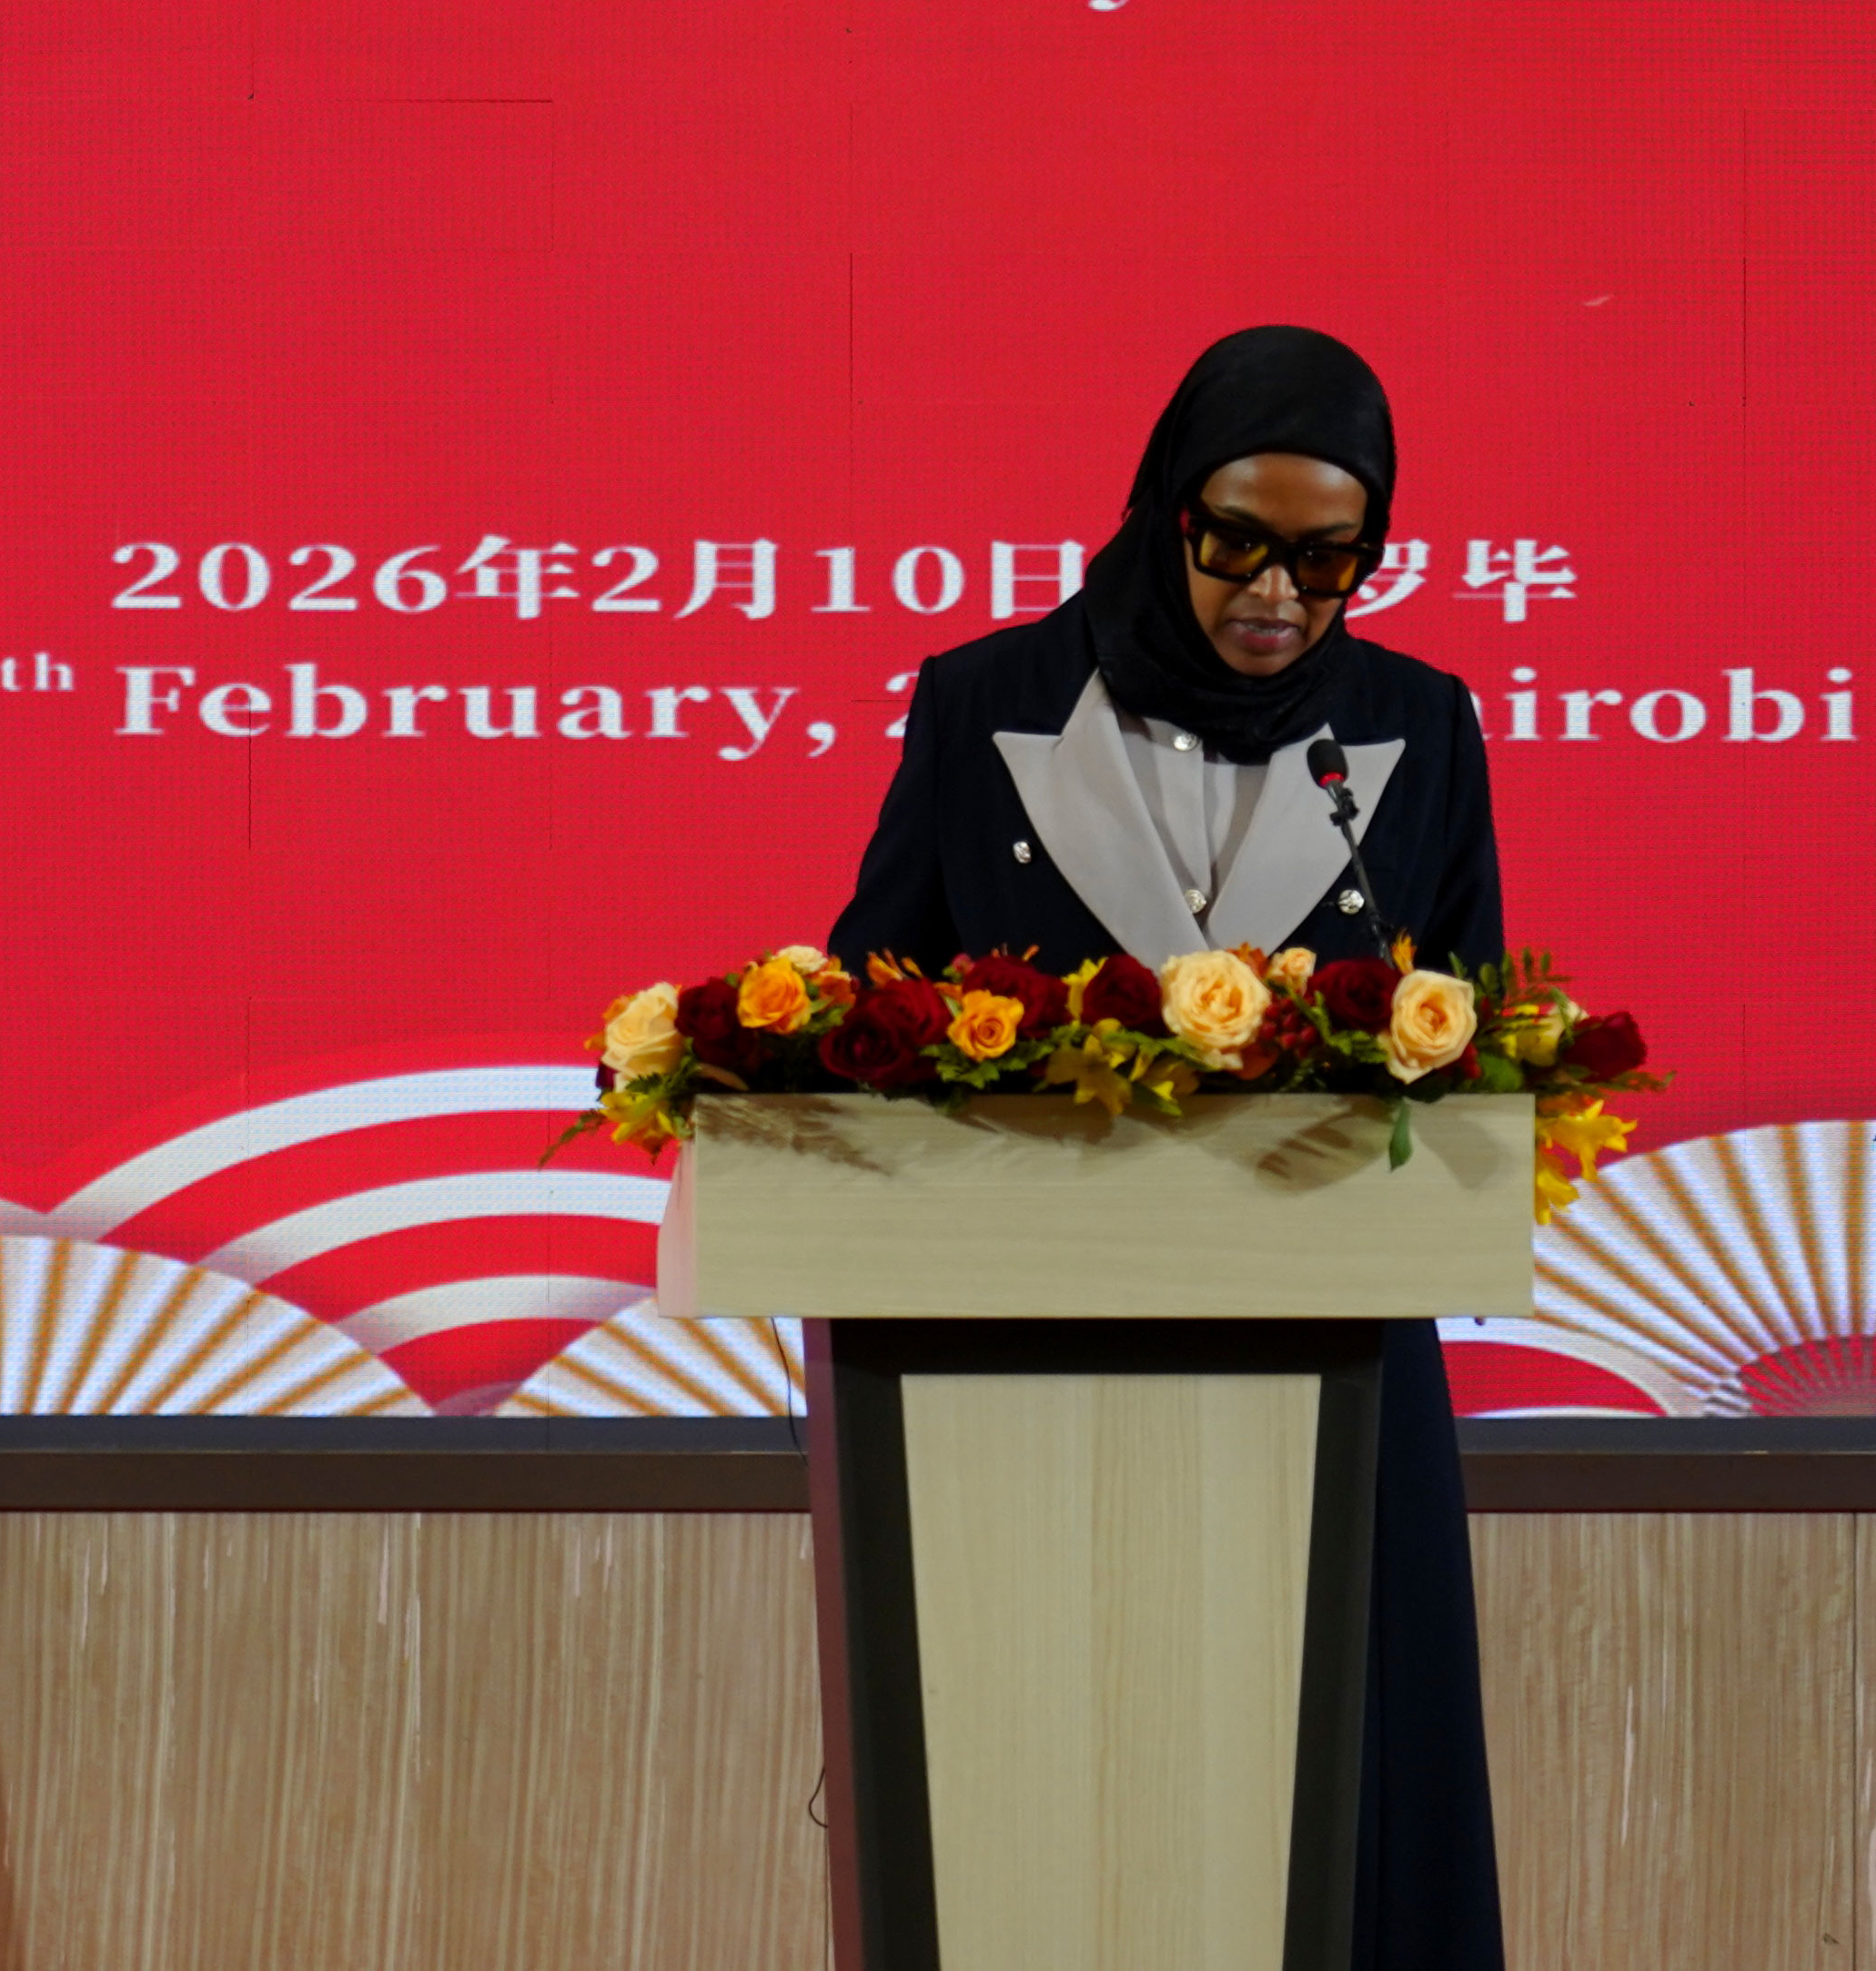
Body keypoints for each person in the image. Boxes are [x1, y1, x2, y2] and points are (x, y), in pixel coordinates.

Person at [829, 324, 1508, 1971]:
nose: (1277, 593)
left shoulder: (1416, 723)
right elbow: (866, 992)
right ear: (1163, 516)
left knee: (1344, 1769)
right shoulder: (988, 698)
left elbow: (1477, 1015)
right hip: (1016, 1349)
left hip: (1332, 1342)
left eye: (1331, 559)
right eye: (1238, 544)